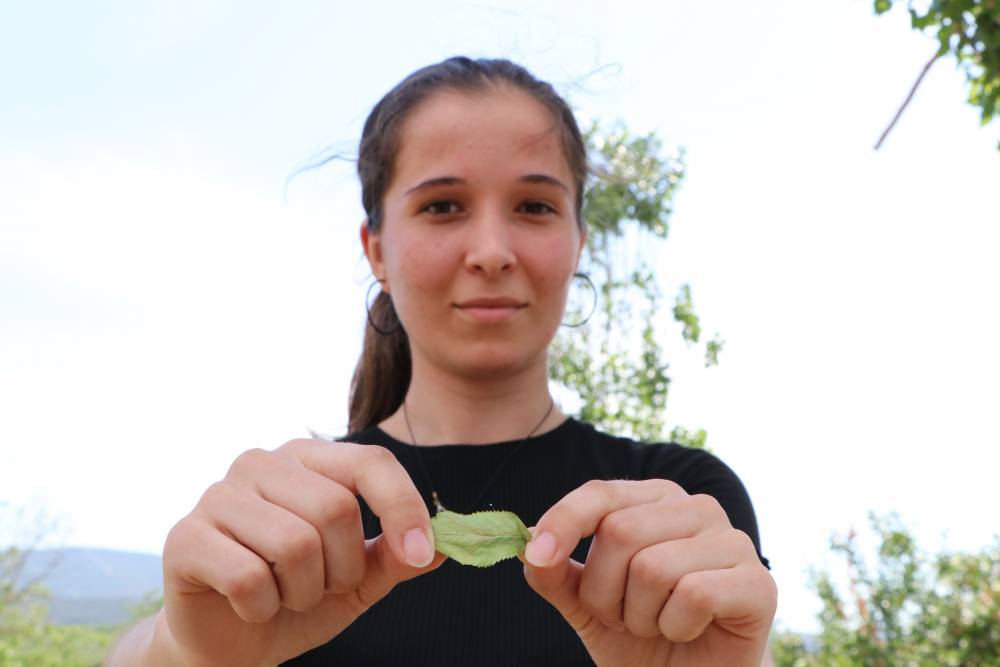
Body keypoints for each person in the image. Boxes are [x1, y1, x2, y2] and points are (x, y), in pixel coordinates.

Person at [106, 56, 777, 667]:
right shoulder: (299, 518)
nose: (491, 249)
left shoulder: (679, 504)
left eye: (535, 206)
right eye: (443, 205)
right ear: (375, 249)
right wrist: (180, 647)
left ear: (577, 242)